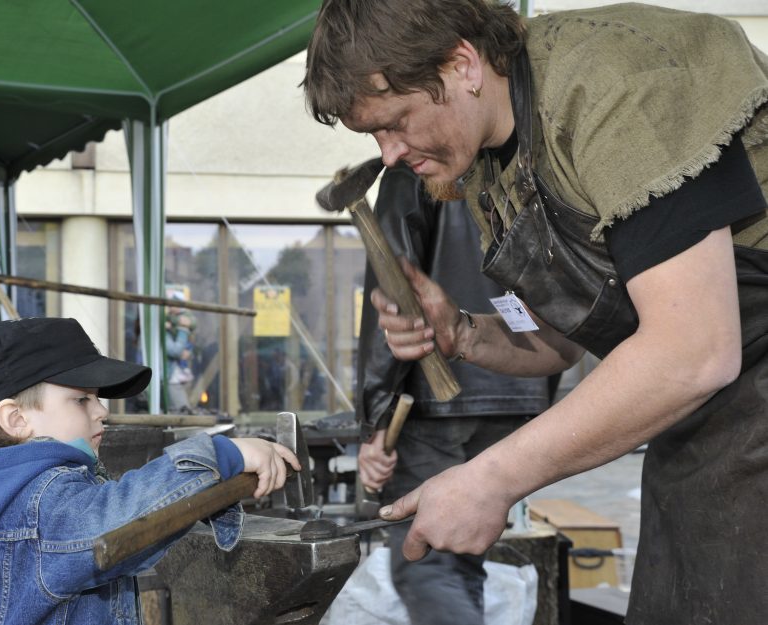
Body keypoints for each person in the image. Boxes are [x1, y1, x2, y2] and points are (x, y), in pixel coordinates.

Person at [303, 2, 768, 623]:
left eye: (396, 122)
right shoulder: (490, 168)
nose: (388, 155)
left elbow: (694, 351)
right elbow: (565, 339)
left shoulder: (610, 83)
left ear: (462, 64)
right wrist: (465, 332)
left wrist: (490, 479)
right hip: (712, 404)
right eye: (372, 137)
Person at [0, 316, 299, 624]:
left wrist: (202, 498)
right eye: (81, 399)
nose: (102, 411)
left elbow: (124, 545)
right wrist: (219, 456)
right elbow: (113, 518)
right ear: (16, 419)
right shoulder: (38, 503)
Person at [357, 163, 552, 624]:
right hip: (519, 384)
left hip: (436, 399)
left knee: (429, 563)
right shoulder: (522, 158)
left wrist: (375, 423)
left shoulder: (412, 166)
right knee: (462, 560)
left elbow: (397, 304)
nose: (389, 146)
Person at [165, 292, 196, 413]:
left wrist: (184, 329)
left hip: (174, 372)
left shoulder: (184, 315)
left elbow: (191, 323)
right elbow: (175, 351)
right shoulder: (169, 318)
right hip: (170, 375)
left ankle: (185, 372)